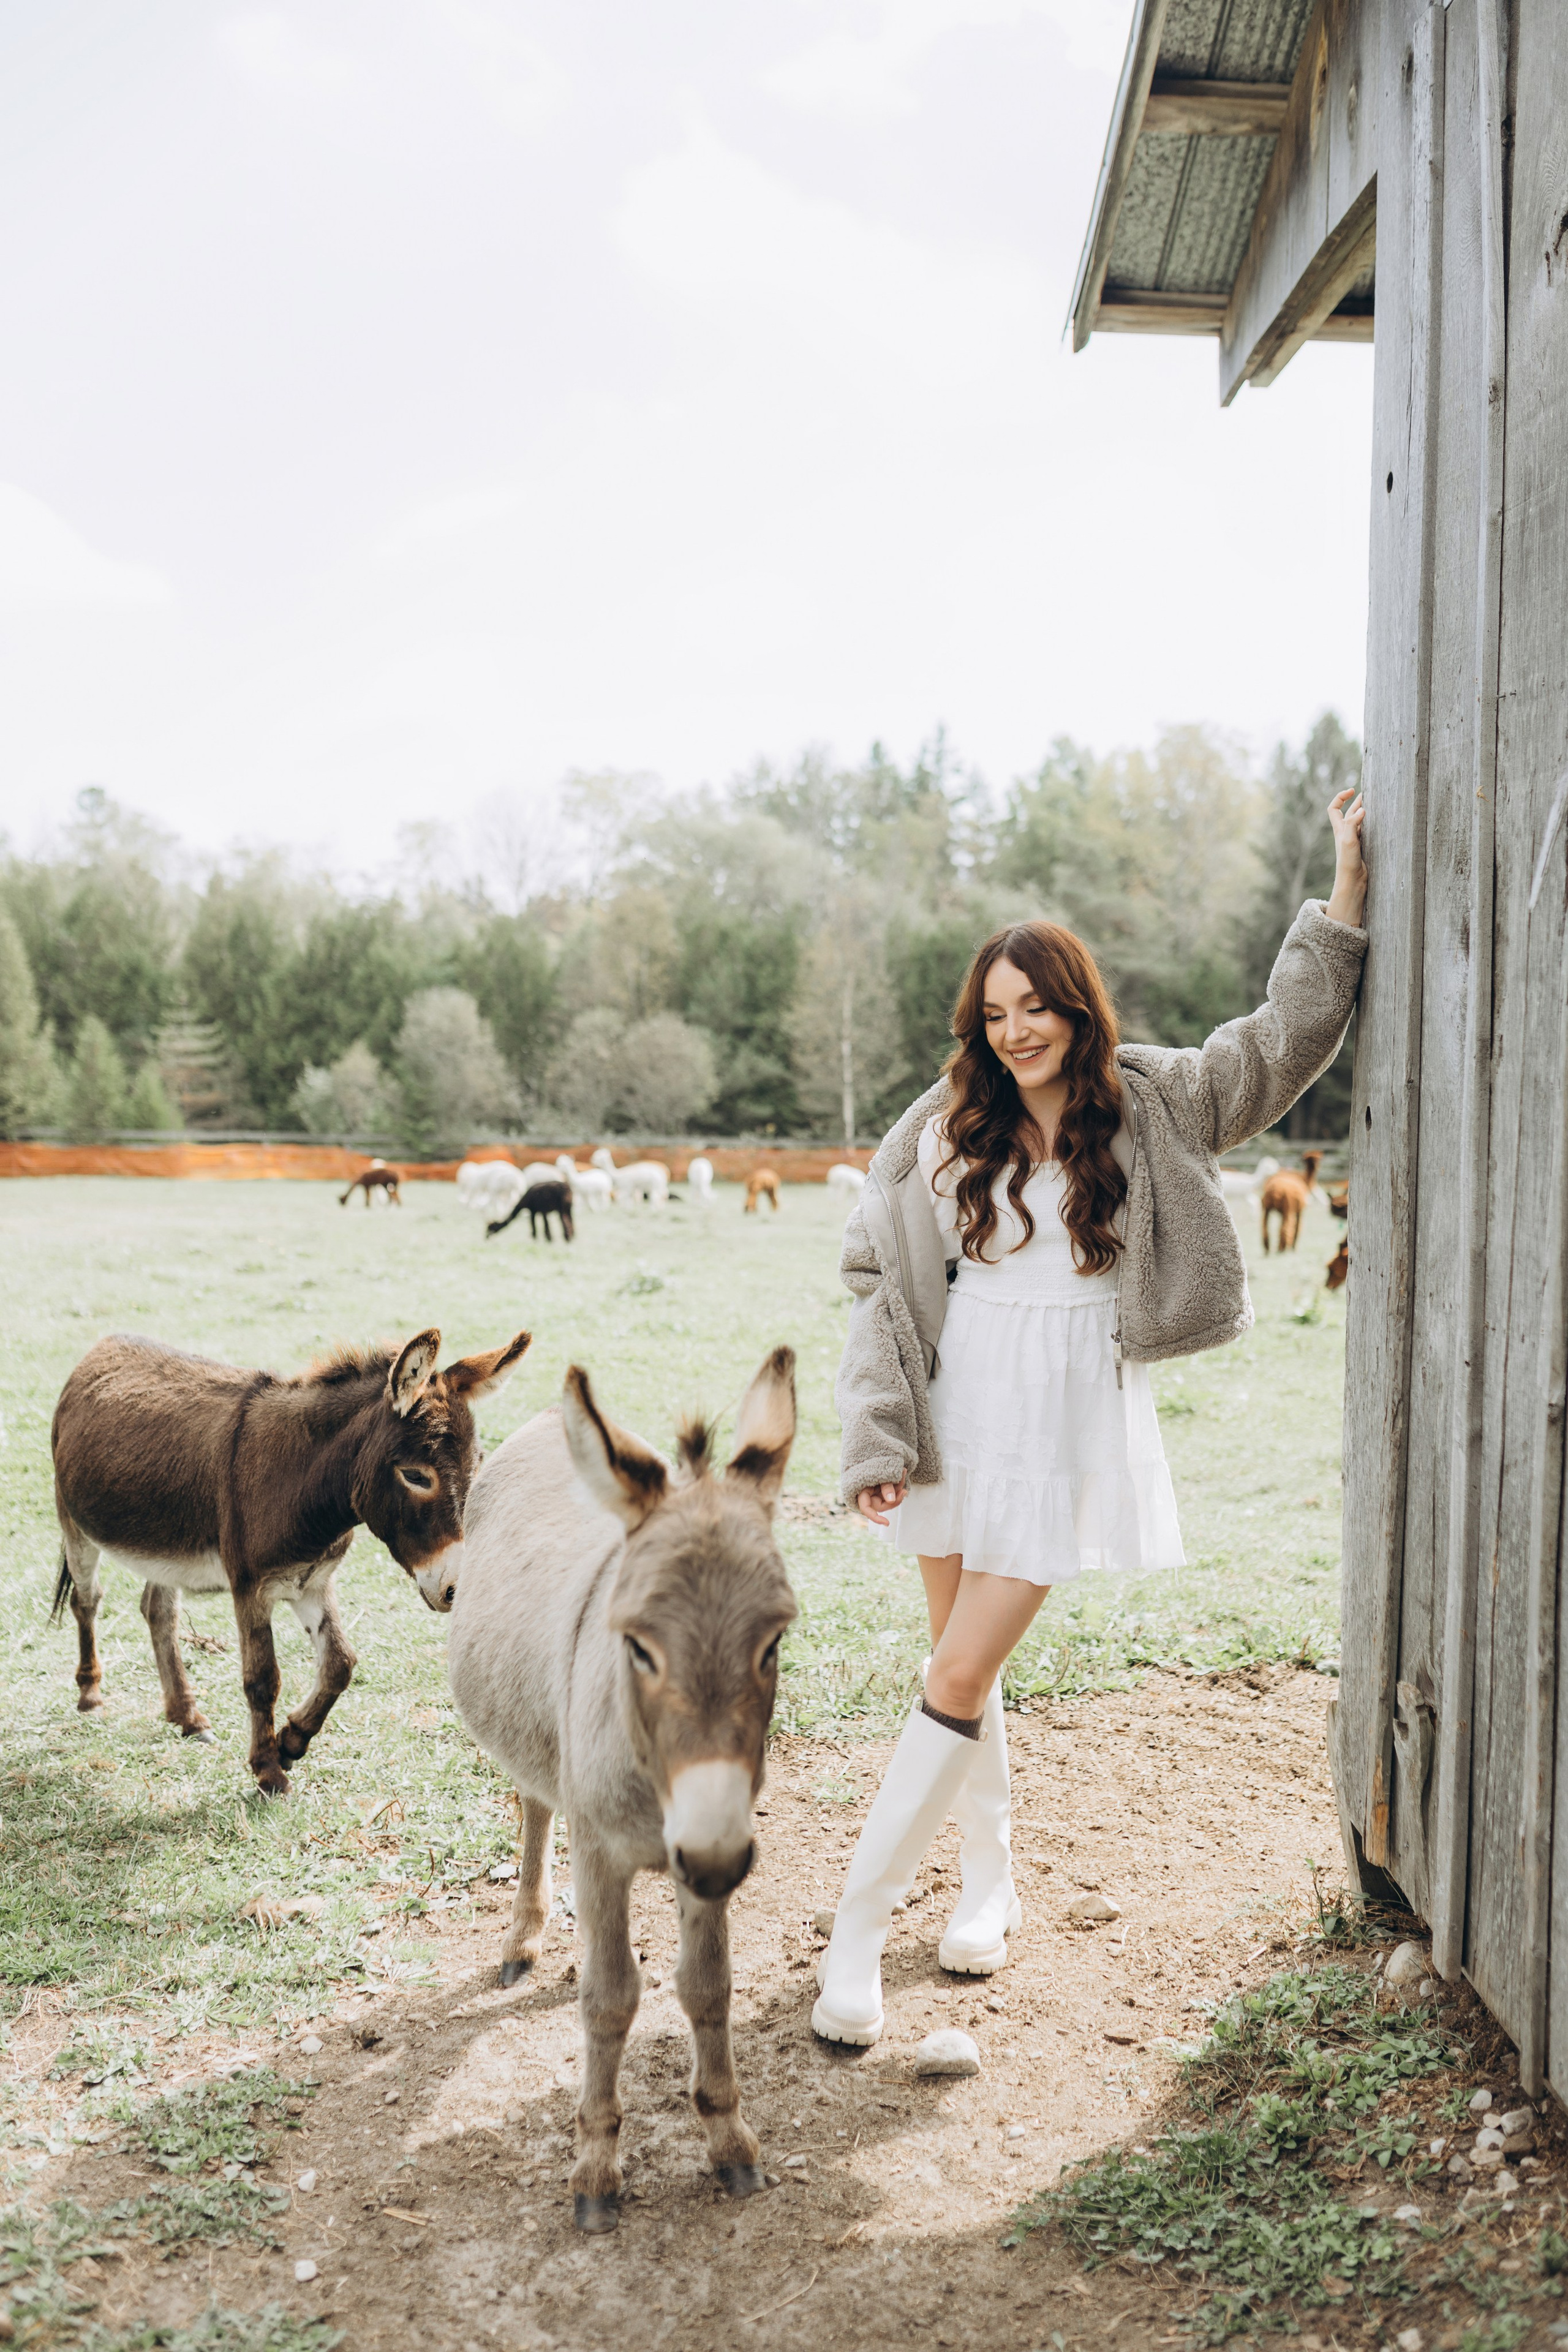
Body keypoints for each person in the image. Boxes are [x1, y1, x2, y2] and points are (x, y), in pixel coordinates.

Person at [813, 788, 1368, 2045]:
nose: (1016, 1033)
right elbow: (877, 1284)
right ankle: (987, 1886)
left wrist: (1343, 894)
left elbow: (1281, 1039)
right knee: (963, 1663)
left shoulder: (1156, 1100)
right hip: (958, 1407)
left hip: (1067, 1414)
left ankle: (854, 1930)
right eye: (993, 1014)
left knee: (958, 1665)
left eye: (1036, 1007)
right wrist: (878, 1437)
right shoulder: (940, 1127)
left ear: (1077, 1005)